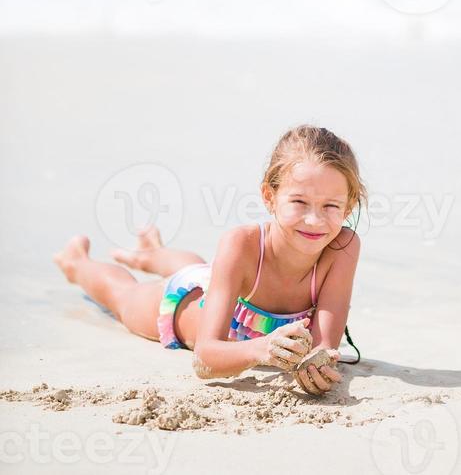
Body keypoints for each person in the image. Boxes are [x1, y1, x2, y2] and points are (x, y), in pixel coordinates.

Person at [54, 125, 366, 397]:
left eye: (331, 206)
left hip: (215, 280)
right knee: (122, 295)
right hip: (185, 306)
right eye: (299, 201)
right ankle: (76, 262)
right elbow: (206, 357)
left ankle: (153, 253)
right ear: (269, 196)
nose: (314, 220)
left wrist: (319, 364)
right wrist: (263, 349)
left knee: (198, 266)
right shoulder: (241, 244)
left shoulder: (343, 247)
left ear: (349, 205)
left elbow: (325, 346)